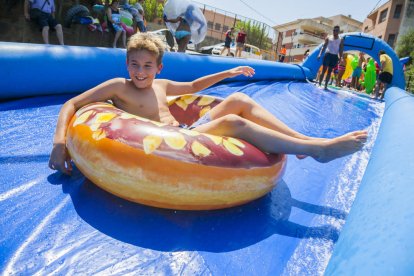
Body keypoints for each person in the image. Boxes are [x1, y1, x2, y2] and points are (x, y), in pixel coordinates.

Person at [48, 33, 367, 175]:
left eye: (147, 66)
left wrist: (230, 70)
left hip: (188, 131)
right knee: (236, 123)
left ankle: (305, 141)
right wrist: (60, 142)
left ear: (158, 68)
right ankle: (318, 150)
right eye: (135, 64)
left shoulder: (161, 85)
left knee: (240, 100)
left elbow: (194, 86)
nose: (140, 72)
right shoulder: (120, 87)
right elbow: (72, 104)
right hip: (162, 144)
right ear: (127, 64)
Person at [317, 25, 344, 90]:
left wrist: (341, 57)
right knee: (324, 70)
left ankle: (325, 86)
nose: (335, 31)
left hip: (334, 56)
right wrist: (320, 54)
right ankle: (319, 84)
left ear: (338, 31)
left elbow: (341, 49)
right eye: (334, 30)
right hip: (328, 55)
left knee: (330, 71)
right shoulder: (329, 37)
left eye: (336, 30)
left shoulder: (341, 39)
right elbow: (324, 47)